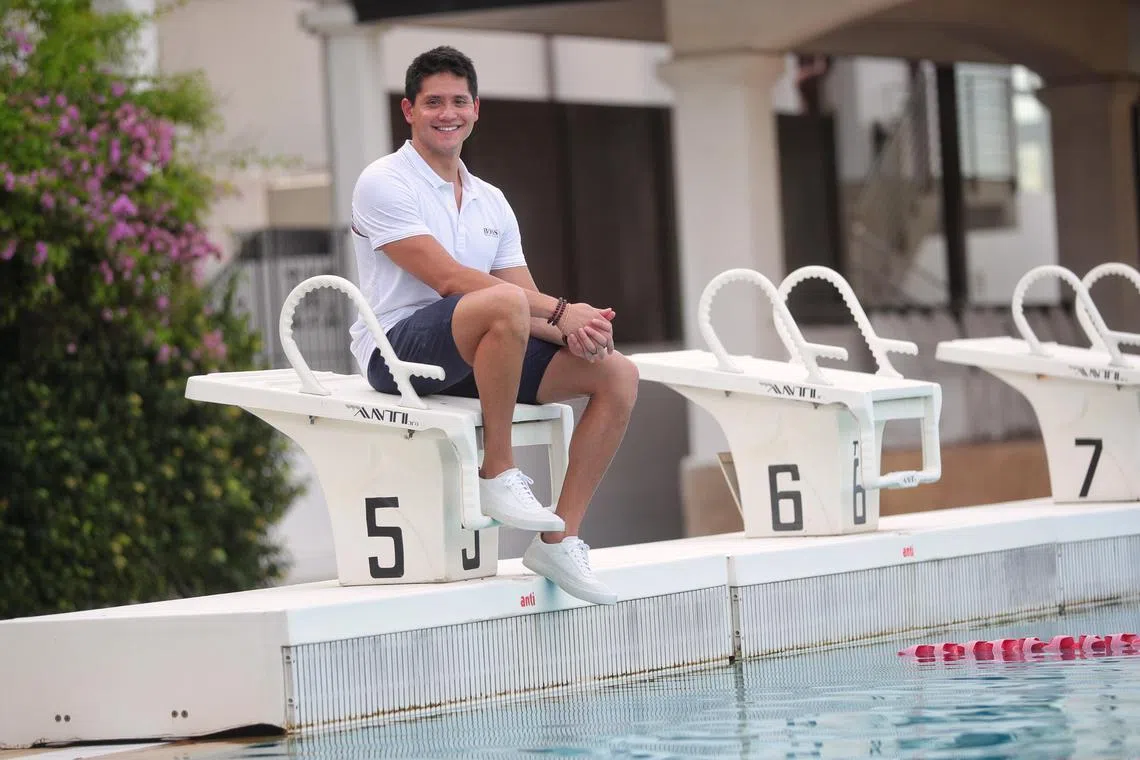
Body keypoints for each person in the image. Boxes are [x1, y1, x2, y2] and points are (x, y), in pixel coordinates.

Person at [347, 46, 640, 606]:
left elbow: (524, 299)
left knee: (617, 375)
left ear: (476, 109)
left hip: (482, 345)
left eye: (459, 101)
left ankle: (560, 538)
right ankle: (497, 469)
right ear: (408, 110)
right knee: (503, 303)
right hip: (399, 354)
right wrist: (558, 311)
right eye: (433, 102)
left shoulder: (491, 201)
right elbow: (452, 280)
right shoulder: (383, 181)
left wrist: (580, 329)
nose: (447, 113)